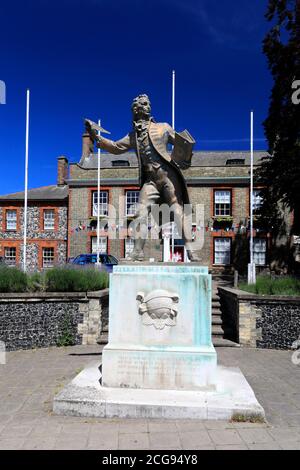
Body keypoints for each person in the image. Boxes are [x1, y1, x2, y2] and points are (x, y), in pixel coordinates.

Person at [86, 94, 199, 261]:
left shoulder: (163, 127)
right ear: (137, 109)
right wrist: (97, 137)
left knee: (176, 210)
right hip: (150, 180)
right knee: (140, 212)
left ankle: (190, 250)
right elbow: (116, 147)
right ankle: (137, 251)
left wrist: (186, 153)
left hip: (168, 175)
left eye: (148, 104)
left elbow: (181, 145)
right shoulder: (133, 136)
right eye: (144, 104)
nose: (148, 107)